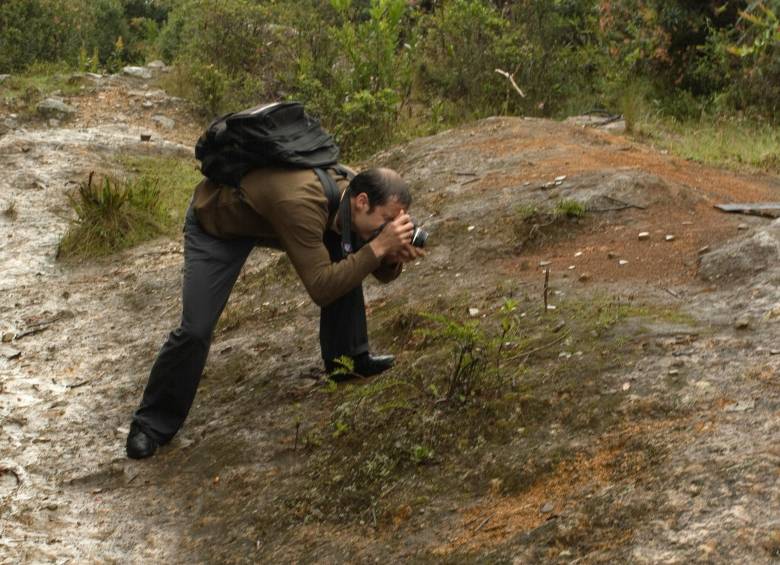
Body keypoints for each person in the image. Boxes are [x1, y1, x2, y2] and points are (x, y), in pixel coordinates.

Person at [125, 166, 423, 459]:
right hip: (218, 225)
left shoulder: (355, 197)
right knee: (196, 328)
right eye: (386, 220)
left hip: (275, 220)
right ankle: (151, 425)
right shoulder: (301, 202)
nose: (388, 229)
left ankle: (348, 361)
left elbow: (377, 272)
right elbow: (321, 288)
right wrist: (378, 248)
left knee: (344, 254)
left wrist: (390, 256)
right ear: (362, 202)